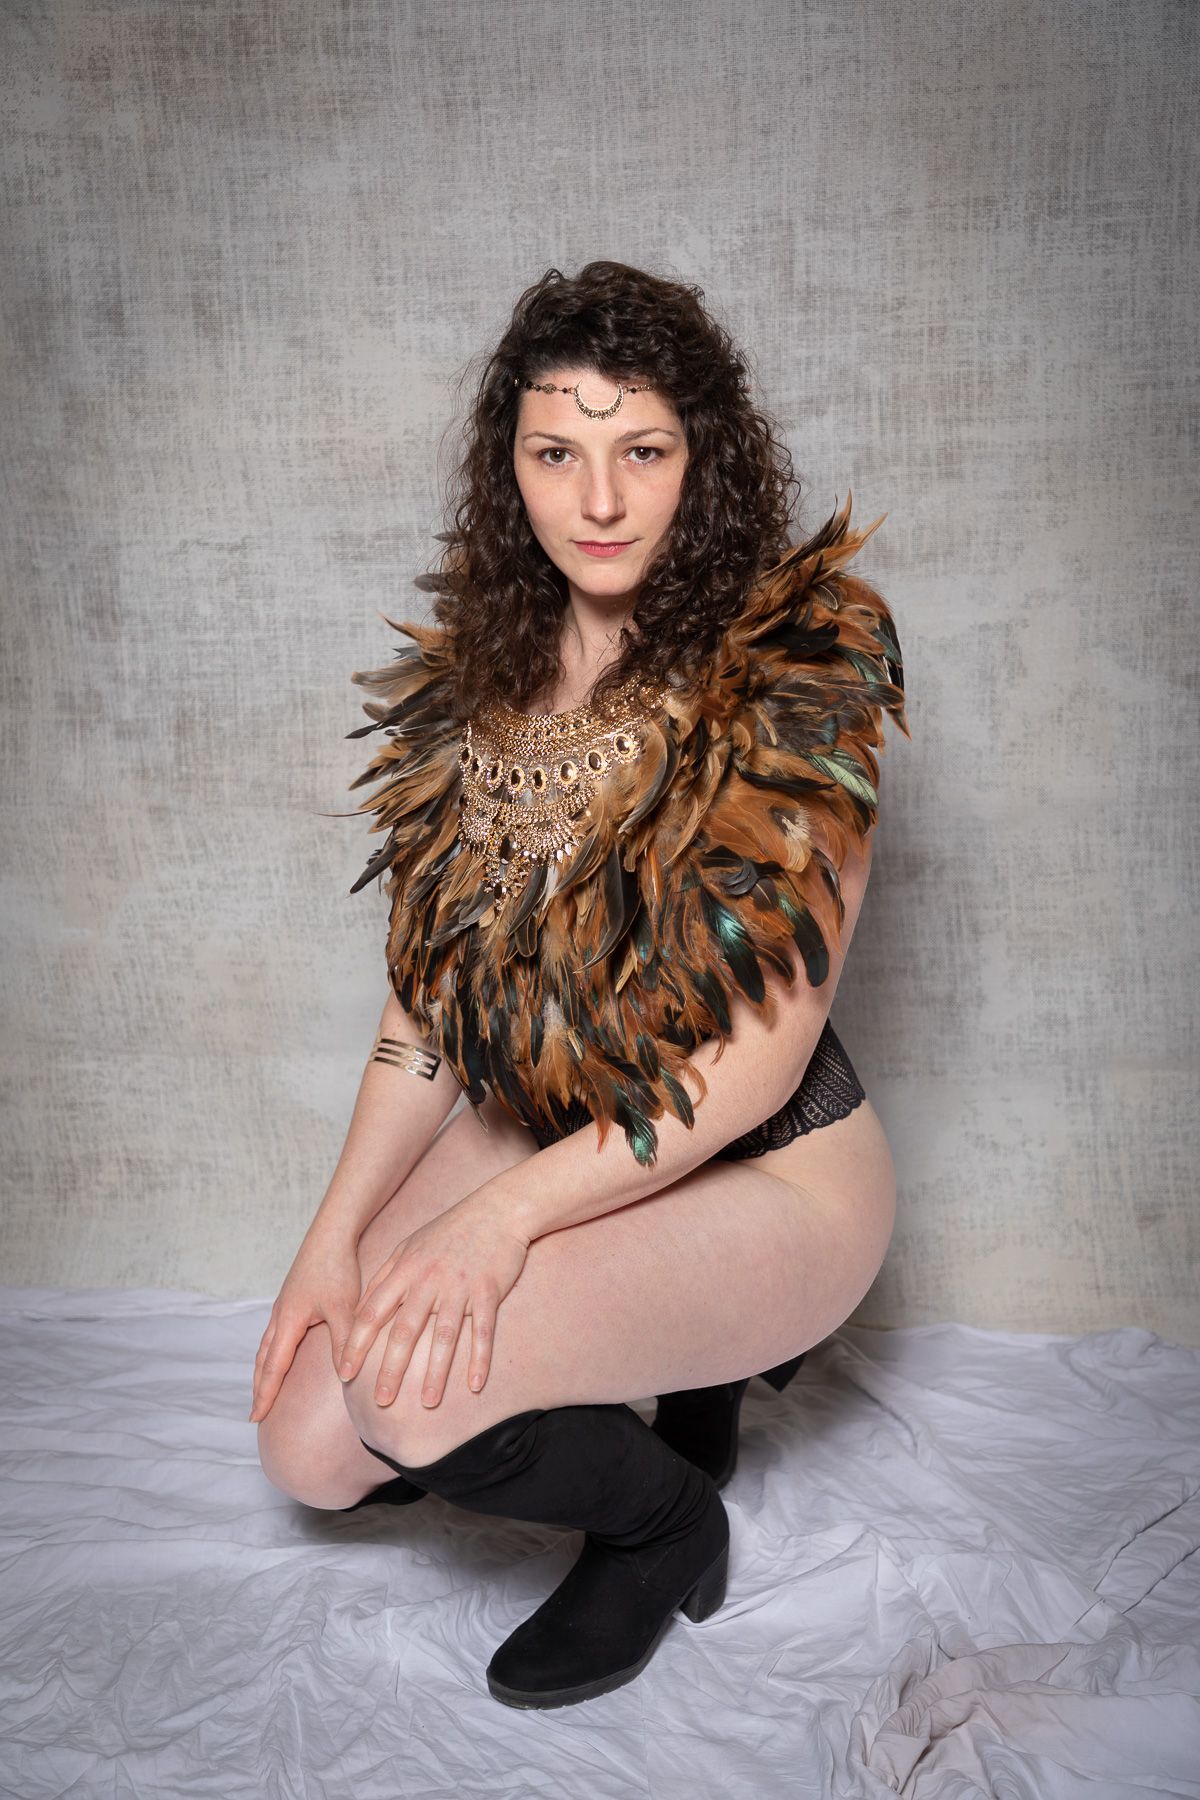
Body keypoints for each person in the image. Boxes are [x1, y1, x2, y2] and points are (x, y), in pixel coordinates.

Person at [250, 260, 909, 1710]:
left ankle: (668, 1521)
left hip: (767, 1158)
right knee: (310, 1448)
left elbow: (756, 1061)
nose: (600, 501)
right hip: (562, 1116)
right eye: (557, 454)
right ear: (511, 467)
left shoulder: (799, 660)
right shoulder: (483, 675)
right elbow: (428, 1010)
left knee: (405, 1395)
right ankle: (628, 1372)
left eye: (643, 450)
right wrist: (332, 1240)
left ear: (704, 457)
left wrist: (495, 1227)